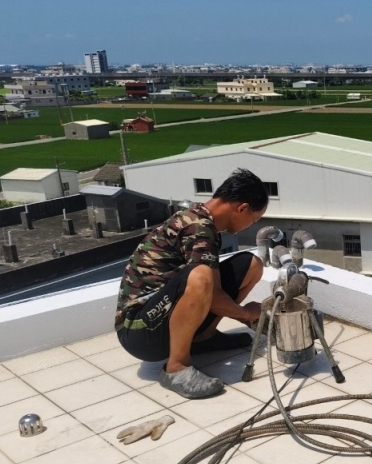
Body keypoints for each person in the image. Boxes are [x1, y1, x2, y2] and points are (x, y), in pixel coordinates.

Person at [115, 168, 268, 399]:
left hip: (159, 317)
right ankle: (176, 368)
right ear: (242, 208)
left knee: (252, 265)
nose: (251, 225)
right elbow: (209, 290)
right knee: (201, 275)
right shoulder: (198, 228)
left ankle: (204, 337)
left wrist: (243, 315)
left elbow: (215, 288)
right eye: (254, 219)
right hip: (139, 331)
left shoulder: (203, 220)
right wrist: (246, 314)